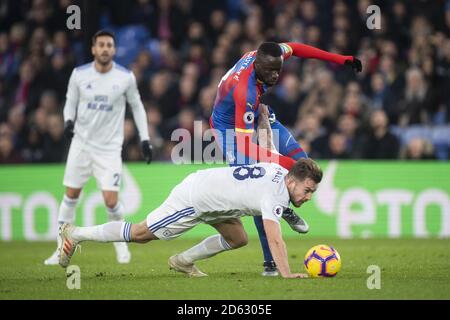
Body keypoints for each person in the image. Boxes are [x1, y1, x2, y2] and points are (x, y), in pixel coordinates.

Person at [209, 41, 361, 276]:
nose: (275, 75)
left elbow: (299, 48)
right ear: (258, 65)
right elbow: (246, 146)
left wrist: (340, 59)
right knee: (257, 189)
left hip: (256, 111)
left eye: (278, 70)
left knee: (306, 164)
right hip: (230, 129)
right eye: (269, 71)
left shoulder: (270, 55)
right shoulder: (244, 91)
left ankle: (284, 202)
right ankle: (270, 262)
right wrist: (287, 164)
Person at [58, 157, 323, 279]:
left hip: (218, 203)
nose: (309, 196)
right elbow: (274, 239)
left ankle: (183, 261)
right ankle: (75, 233)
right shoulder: (275, 194)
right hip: (195, 199)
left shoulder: (278, 171)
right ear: (292, 180)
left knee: (238, 237)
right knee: (141, 234)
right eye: (307, 190)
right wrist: (286, 274)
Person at [44, 30, 153, 265]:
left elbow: (137, 107)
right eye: (101, 45)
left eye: (109, 45)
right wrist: (68, 121)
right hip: (81, 145)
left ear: (114, 50)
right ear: (94, 49)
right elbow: (70, 102)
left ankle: (121, 246)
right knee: (71, 195)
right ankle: (59, 248)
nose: (105, 49)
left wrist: (145, 139)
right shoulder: (79, 75)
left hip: (109, 149)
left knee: (111, 201)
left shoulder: (125, 77)